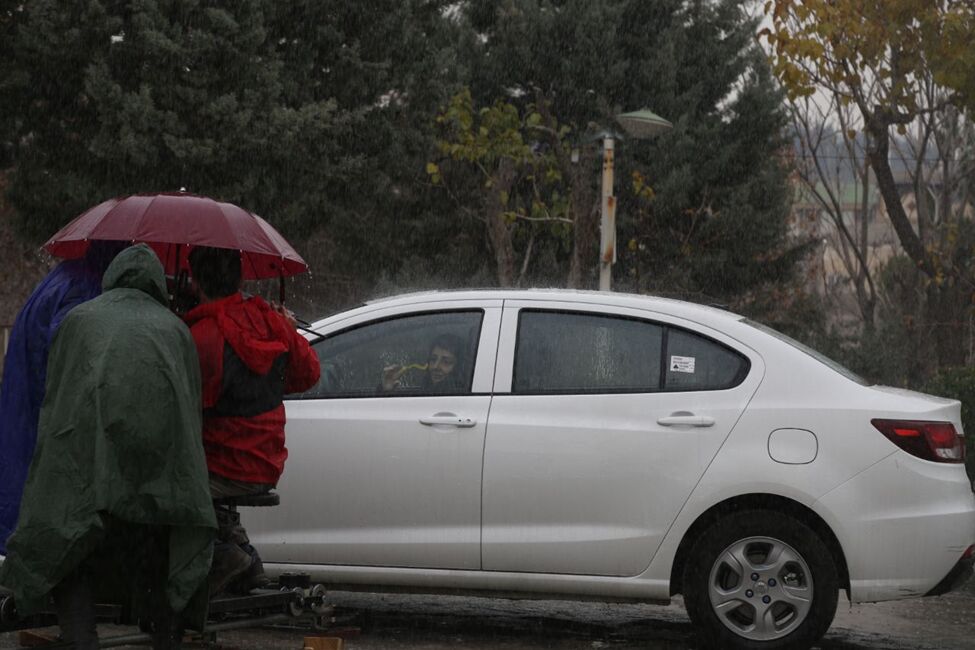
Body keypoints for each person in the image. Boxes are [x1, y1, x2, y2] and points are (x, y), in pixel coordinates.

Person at [0, 244, 217, 650]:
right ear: (156, 283)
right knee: (162, 553)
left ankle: (82, 639)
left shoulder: (78, 321)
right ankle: (167, 639)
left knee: (68, 545)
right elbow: (189, 417)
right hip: (155, 491)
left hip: (88, 483)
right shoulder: (175, 331)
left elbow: (58, 403)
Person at [183, 246, 320, 594]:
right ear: (241, 278)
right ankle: (245, 557)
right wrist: (287, 333)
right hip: (267, 463)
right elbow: (308, 375)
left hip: (224, 466)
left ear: (195, 282)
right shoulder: (271, 321)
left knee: (164, 487)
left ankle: (221, 555)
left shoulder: (200, 336)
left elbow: (185, 408)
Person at [0, 240, 125, 554]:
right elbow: (71, 359)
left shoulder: (64, 278)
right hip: (44, 423)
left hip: (24, 414)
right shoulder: (85, 289)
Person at [381, 333, 466, 393]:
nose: (435, 366)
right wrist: (387, 389)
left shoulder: (460, 396)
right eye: (433, 359)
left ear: (459, 366)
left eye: (446, 362)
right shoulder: (425, 390)